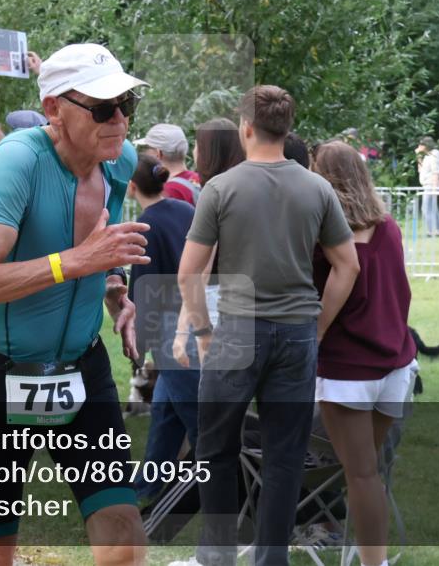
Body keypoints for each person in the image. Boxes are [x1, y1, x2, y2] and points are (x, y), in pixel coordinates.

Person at [0, 43, 151, 566]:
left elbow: (100, 250)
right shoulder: (18, 162)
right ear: (55, 110)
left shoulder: (118, 160)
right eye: (104, 109)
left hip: (81, 367)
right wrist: (73, 262)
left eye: (126, 104)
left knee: (124, 535)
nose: (120, 121)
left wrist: (116, 292)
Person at [175, 85, 359, 566]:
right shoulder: (318, 187)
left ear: (247, 128)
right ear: (286, 128)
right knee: (284, 457)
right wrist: (317, 325)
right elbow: (348, 266)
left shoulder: (221, 188)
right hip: (297, 333)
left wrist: (203, 333)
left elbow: (188, 272)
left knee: (215, 449)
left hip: (237, 329)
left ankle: (216, 558)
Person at [311, 141, 418, 566]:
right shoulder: (389, 227)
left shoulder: (325, 242)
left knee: (362, 475)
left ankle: (373, 562)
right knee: (368, 471)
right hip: (395, 365)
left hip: (349, 371)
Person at [126, 153, 199, 502]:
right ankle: (148, 484)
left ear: (131, 186)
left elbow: (142, 294)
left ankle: (228, 492)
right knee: (167, 412)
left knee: (201, 423)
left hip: (174, 333)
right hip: (202, 317)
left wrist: (136, 344)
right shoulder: (186, 211)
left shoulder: (144, 226)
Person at [170, 117, 246, 366]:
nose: (193, 150)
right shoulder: (246, 191)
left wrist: (183, 332)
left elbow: (198, 272)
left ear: (210, 151)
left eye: (197, 144)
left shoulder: (214, 195)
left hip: (218, 305)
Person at [133, 124, 201, 205]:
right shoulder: (199, 180)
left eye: (146, 148)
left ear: (159, 153)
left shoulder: (167, 192)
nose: (144, 153)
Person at [415, 137, 439, 237]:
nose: (419, 147)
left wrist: (435, 189)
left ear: (426, 146)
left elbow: (436, 173)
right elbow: (420, 169)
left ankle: (430, 231)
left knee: (426, 208)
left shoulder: (434, 156)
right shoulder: (427, 156)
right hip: (427, 184)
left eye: (421, 145)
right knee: (433, 208)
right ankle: (438, 230)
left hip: (431, 185)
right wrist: (418, 156)